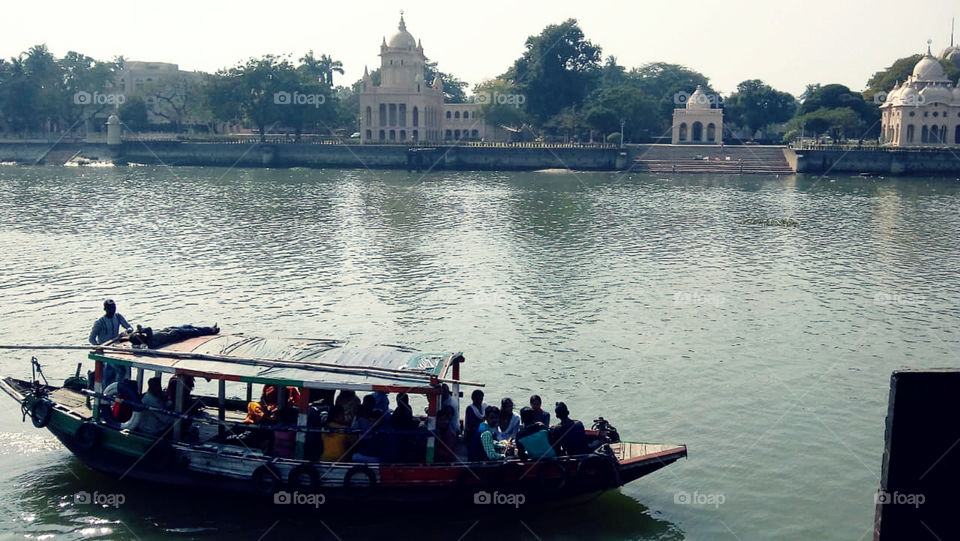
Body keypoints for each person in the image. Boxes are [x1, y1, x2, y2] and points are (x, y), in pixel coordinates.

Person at [89, 299, 134, 387]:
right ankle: (114, 389)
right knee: (120, 370)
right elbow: (91, 339)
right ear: (105, 309)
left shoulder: (118, 317)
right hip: (106, 351)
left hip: (116, 348)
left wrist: (127, 331)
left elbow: (129, 327)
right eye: (110, 309)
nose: (112, 311)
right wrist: (99, 347)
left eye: (114, 308)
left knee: (123, 368)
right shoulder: (99, 322)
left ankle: (115, 388)